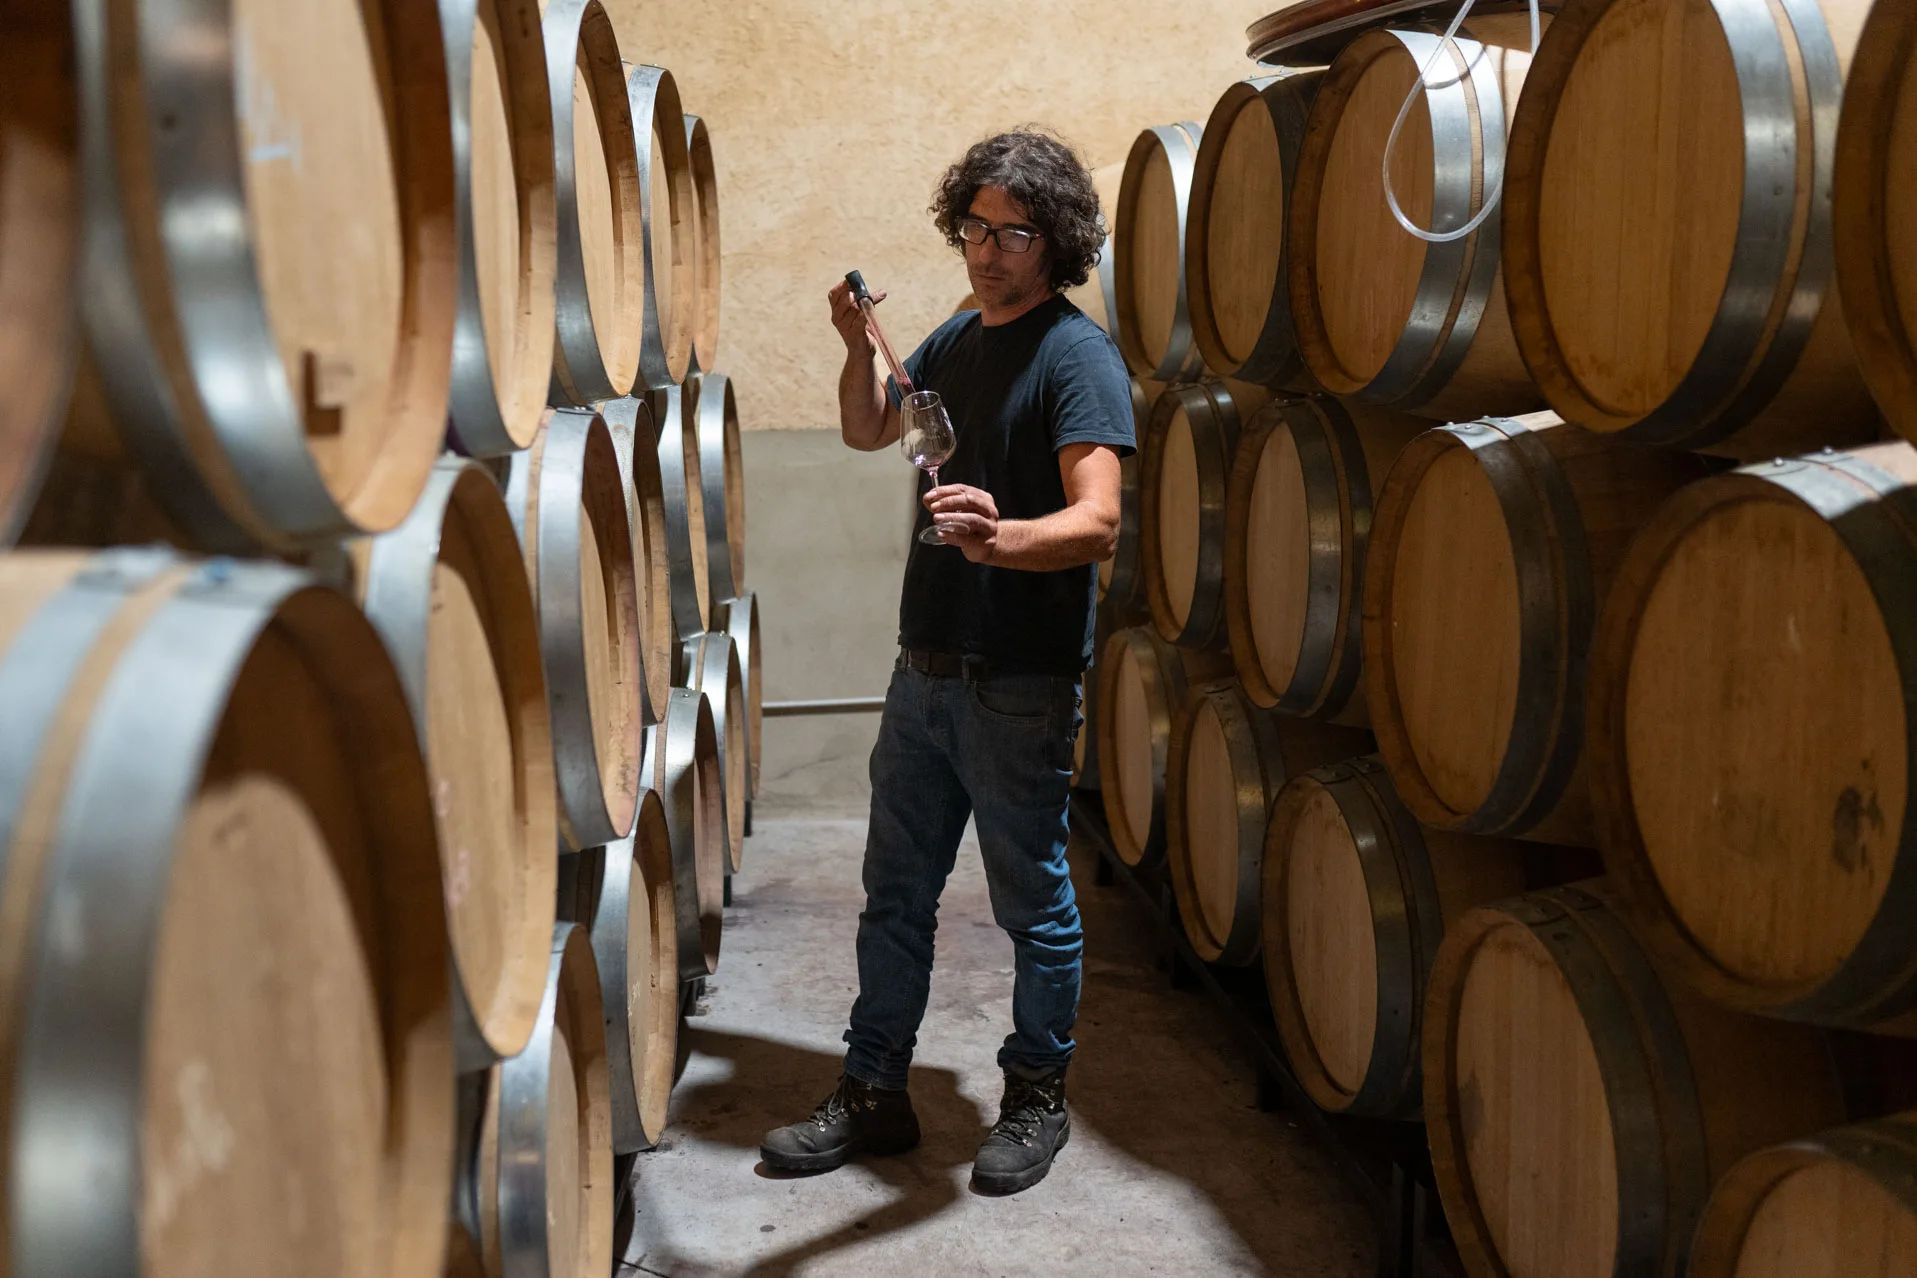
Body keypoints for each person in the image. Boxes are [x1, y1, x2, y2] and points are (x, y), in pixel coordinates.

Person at [759, 129, 1134, 1195]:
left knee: (1034, 908)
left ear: (1054, 241)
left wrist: (999, 536)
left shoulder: (1077, 356)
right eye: (974, 227)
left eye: (1013, 232)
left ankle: (1034, 1098)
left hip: (1018, 681)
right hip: (922, 671)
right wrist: (851, 343)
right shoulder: (958, 335)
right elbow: (868, 429)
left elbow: (1099, 522)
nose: (987, 250)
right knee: (894, 895)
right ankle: (873, 1089)